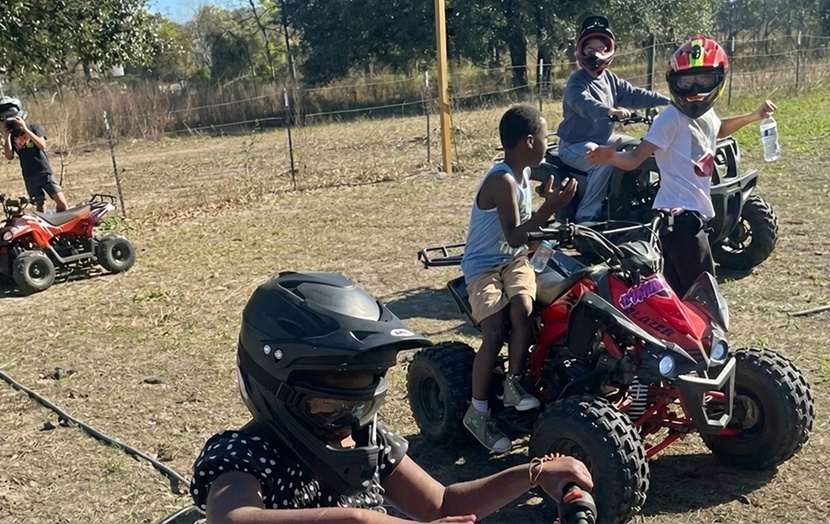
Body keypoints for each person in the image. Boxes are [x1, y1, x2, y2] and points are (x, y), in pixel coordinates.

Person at [191, 271, 593, 524]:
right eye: (330, 408)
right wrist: (360, 520)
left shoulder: (366, 441)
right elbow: (235, 517)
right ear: (275, 390)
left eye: (362, 407)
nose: (348, 424)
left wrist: (532, 473)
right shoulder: (246, 454)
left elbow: (442, 504)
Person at [586, 35, 776, 296]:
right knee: (703, 292)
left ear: (718, 79)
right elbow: (634, 159)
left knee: (676, 292)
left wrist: (753, 116)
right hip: (678, 217)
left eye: (703, 81)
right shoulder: (670, 119)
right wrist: (609, 157)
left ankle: (677, 336)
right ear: (673, 81)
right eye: (686, 82)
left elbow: (719, 129)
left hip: (692, 215)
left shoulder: (706, 114)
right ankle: (707, 337)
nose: (695, 89)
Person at [460, 105, 577, 453]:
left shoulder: (525, 174)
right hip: (483, 266)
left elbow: (519, 241)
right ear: (528, 141)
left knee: (524, 309)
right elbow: (513, 234)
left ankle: (514, 382)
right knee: (495, 328)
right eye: (545, 137)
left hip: (514, 262)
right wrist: (547, 211)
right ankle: (477, 412)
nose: (547, 142)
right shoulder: (502, 180)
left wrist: (544, 203)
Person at [556, 15, 670, 223]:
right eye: (589, 49)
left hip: (601, 139)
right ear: (581, 51)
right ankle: (587, 216)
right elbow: (585, 105)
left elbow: (635, 95)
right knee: (605, 160)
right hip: (574, 144)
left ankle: (638, 201)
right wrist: (610, 111)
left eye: (600, 48)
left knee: (641, 147)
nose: (595, 54)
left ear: (608, 50)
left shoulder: (610, 79)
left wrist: (668, 101)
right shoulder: (577, 82)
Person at [0, 96, 69, 213]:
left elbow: (42, 145)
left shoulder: (33, 127)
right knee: (39, 203)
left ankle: (60, 222)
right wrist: (6, 137)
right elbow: (9, 156)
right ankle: (45, 226)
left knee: (61, 203)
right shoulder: (12, 135)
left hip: (43, 171)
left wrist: (25, 129)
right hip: (29, 175)